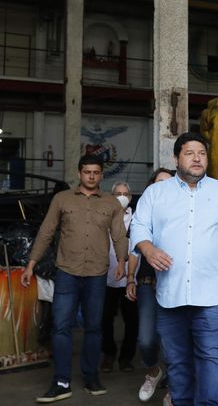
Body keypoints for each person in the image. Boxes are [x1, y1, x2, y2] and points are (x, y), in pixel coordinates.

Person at [129, 132, 218, 406]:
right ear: (176, 159)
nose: (197, 158)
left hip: (212, 294)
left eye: (202, 153)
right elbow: (138, 226)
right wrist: (148, 249)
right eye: (189, 153)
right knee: (177, 361)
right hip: (170, 293)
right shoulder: (156, 193)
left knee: (211, 355)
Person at [21, 154, 128, 403]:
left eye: (96, 172)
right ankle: (61, 381)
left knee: (93, 327)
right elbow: (46, 232)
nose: (91, 176)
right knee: (60, 327)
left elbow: (120, 235)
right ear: (79, 173)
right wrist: (31, 265)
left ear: (101, 175)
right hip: (67, 273)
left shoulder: (111, 203)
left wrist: (122, 262)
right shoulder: (62, 199)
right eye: (87, 172)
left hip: (97, 275)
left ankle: (91, 377)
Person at [125, 168, 175, 403]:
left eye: (169, 182)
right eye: (159, 182)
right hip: (147, 283)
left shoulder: (182, 212)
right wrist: (130, 278)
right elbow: (134, 250)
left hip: (174, 283)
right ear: (151, 187)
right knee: (146, 339)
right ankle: (154, 370)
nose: (164, 186)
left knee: (172, 338)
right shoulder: (143, 214)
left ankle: (174, 389)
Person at [100, 181, 138, 374]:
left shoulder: (137, 218)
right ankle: (108, 354)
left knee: (132, 319)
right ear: (111, 196)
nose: (121, 196)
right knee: (105, 318)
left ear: (130, 198)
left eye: (125, 193)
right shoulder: (104, 216)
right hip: (106, 276)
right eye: (117, 193)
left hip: (131, 279)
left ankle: (126, 358)